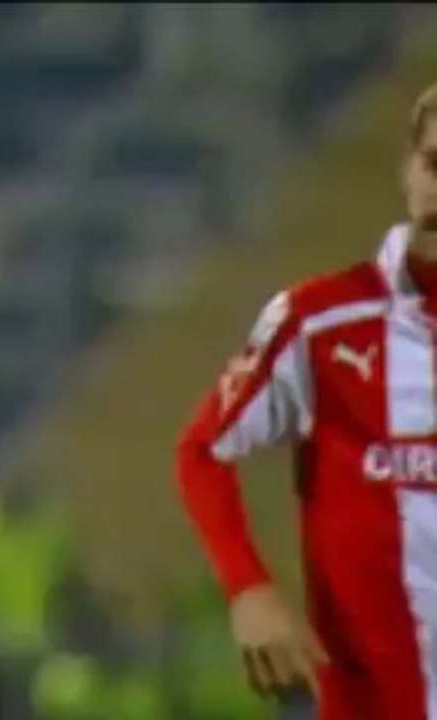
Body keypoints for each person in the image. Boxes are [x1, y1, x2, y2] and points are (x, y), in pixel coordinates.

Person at [176, 82, 437, 719]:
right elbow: (203, 450)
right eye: (436, 164)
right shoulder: (320, 321)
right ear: (408, 171)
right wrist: (248, 589)